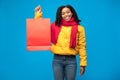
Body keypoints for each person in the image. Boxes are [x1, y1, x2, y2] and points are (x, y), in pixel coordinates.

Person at [34, 5, 87, 80]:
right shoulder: (55, 25)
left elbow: (82, 47)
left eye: (68, 12)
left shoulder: (80, 29)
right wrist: (38, 14)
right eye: (63, 13)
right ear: (60, 15)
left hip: (71, 60)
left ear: (72, 13)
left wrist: (83, 64)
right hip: (57, 60)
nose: (66, 15)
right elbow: (42, 30)